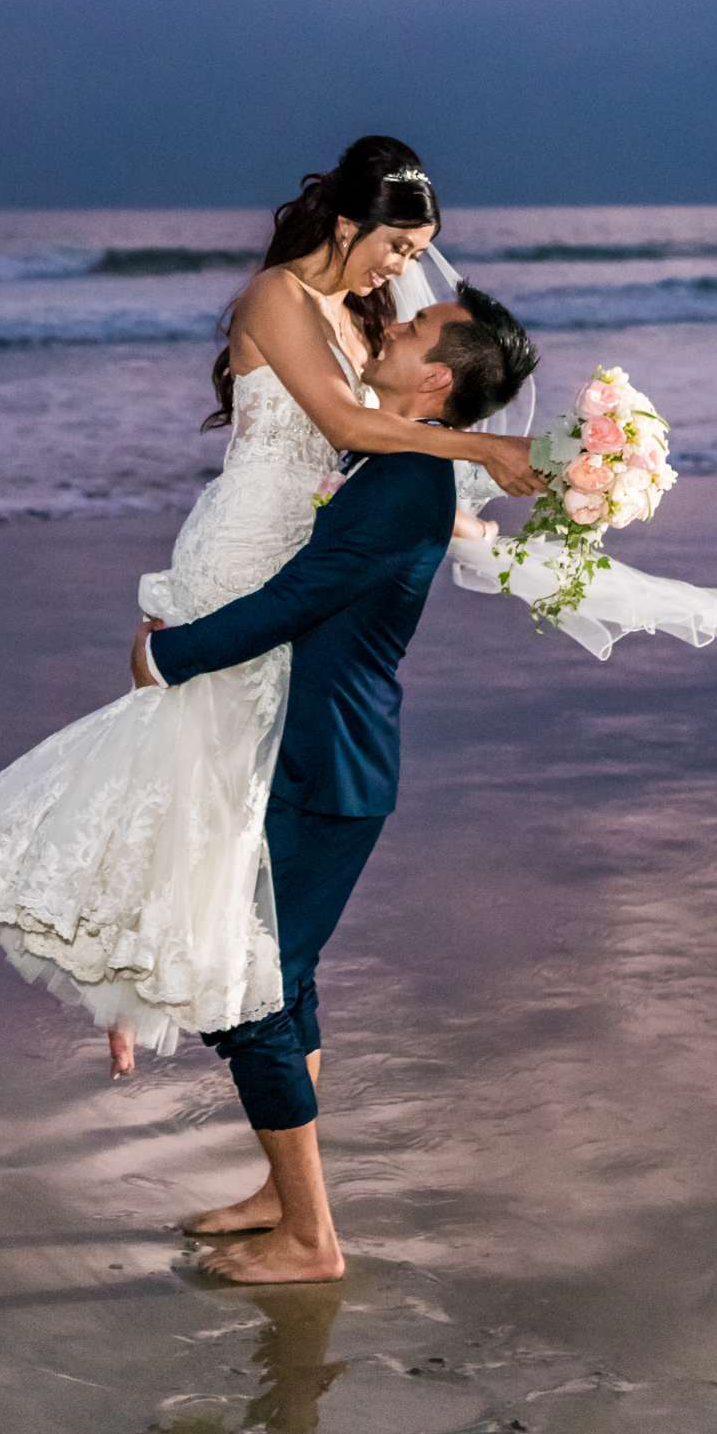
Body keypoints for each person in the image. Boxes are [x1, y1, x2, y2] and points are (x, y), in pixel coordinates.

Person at [0, 136, 540, 1074]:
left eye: (417, 253)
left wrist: (473, 523)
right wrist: (485, 452)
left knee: (217, 790)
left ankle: (116, 978)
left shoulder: (360, 315)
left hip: (299, 551)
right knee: (184, 750)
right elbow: (343, 424)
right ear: (347, 223)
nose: (407, 269)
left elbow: (382, 448)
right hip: (245, 547)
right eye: (399, 247)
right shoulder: (276, 297)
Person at [128, 290, 532, 1283]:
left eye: (414, 329)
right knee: (285, 977)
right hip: (322, 755)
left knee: (250, 992)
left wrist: (165, 658)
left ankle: (311, 1241)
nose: (390, 326)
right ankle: (281, 1197)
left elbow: (300, 599)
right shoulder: (397, 456)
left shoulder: (402, 479)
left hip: (329, 766)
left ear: (438, 376)